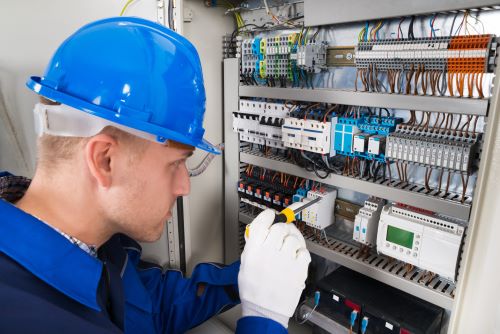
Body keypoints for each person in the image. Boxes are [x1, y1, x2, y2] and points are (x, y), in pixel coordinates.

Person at [0, 17, 310, 333]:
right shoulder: (27, 317)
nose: (185, 186)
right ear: (105, 159)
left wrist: (253, 278)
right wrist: (264, 320)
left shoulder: (95, 247)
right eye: (175, 164)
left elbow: (147, 308)